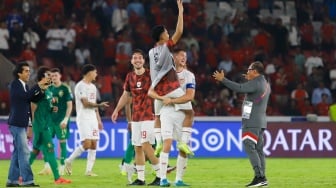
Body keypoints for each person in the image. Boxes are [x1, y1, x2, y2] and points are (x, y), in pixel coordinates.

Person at [212, 61, 270, 187]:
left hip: (251, 121)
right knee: (259, 150)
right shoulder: (265, 83)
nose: (247, 71)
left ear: (255, 71)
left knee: (249, 146)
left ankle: (260, 177)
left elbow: (240, 88)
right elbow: (253, 94)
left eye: (249, 69)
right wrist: (250, 80)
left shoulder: (255, 83)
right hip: (260, 121)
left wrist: (223, 80)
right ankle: (262, 177)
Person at [148, 0, 194, 158]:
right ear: (161, 36)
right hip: (172, 89)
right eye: (166, 32)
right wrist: (181, 11)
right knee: (189, 113)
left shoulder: (151, 52)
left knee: (158, 117)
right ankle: (183, 142)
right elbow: (180, 31)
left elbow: (154, 72)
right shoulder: (165, 47)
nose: (168, 33)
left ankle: (159, 142)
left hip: (158, 91)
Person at [111, 49, 160, 186]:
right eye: (135, 58)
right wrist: (116, 110)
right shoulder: (129, 76)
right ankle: (140, 179)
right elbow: (126, 95)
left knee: (146, 145)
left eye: (140, 58)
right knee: (137, 147)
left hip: (149, 116)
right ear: (131, 61)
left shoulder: (151, 75)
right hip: (136, 117)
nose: (137, 60)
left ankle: (161, 176)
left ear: (144, 61)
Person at [148, 48, 196, 186]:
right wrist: (162, 98)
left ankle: (179, 180)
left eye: (185, 56)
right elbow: (151, 92)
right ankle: (163, 178)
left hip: (181, 112)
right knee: (167, 144)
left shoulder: (189, 75)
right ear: (173, 58)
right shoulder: (165, 73)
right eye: (180, 55)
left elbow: (190, 96)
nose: (183, 58)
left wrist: (172, 100)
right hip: (167, 112)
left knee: (183, 149)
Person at [28, 67, 72, 184]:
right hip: (40, 127)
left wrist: (52, 109)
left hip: (45, 125)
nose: (51, 77)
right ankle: (57, 178)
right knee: (50, 149)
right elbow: (32, 110)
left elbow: (44, 108)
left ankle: (21, 174)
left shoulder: (47, 91)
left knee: (35, 151)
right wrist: (30, 128)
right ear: (43, 77)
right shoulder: (37, 91)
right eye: (49, 75)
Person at [6, 62, 46, 187]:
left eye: (29, 71)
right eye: (26, 71)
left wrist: (42, 90)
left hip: (21, 123)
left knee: (18, 152)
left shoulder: (25, 86)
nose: (29, 73)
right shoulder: (15, 85)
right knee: (24, 152)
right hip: (16, 123)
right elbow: (25, 97)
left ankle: (12, 181)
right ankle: (28, 181)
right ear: (19, 73)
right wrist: (38, 85)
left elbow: (31, 101)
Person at [64, 64, 109, 176]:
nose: (96, 74)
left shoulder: (93, 87)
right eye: (95, 72)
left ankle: (88, 171)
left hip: (93, 118)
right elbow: (85, 103)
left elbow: (94, 106)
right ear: (89, 73)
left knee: (94, 144)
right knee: (87, 143)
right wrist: (99, 105)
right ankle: (68, 161)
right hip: (83, 118)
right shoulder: (80, 86)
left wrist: (99, 120)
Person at [38, 68, 73, 175]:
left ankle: (62, 166)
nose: (53, 78)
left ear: (60, 76)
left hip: (61, 121)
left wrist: (66, 119)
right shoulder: (49, 89)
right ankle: (47, 167)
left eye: (55, 76)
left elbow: (70, 106)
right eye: (52, 76)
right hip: (49, 121)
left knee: (62, 143)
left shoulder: (65, 88)